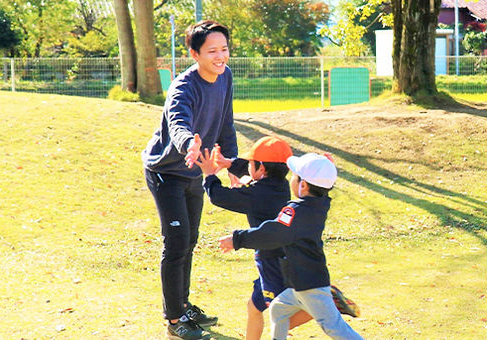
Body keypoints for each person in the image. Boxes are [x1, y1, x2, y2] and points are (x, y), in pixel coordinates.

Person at [196, 139, 359, 340]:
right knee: (274, 310)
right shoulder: (312, 200)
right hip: (294, 270)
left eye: (296, 175)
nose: (292, 177)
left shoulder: (289, 209)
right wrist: (230, 164)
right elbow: (257, 173)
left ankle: (327, 303)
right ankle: (323, 303)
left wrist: (236, 239)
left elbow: (272, 231)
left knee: (331, 326)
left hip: (290, 272)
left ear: (304, 184)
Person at [142, 20, 237, 340]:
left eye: (224, 49)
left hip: (195, 170)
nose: (220, 56)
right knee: (177, 242)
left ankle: (181, 304)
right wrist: (190, 145)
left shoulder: (225, 78)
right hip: (166, 171)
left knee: (190, 239)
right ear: (195, 54)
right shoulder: (183, 87)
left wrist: (232, 163)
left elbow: (226, 122)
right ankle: (173, 319)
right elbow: (179, 122)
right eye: (212, 51)